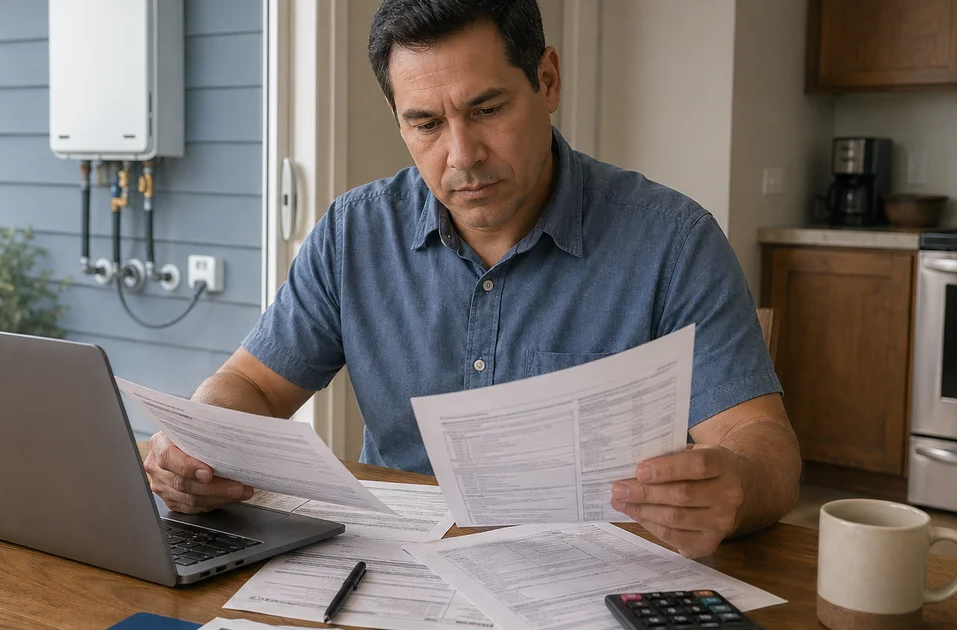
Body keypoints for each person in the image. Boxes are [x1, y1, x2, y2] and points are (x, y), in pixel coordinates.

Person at [143, 0, 800, 559]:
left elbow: (761, 447)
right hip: (403, 572)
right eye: (425, 123)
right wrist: (198, 443)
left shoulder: (672, 240)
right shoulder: (354, 233)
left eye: (487, 109)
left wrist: (733, 489)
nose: (462, 157)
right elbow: (252, 385)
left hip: (594, 575)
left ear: (546, 79)